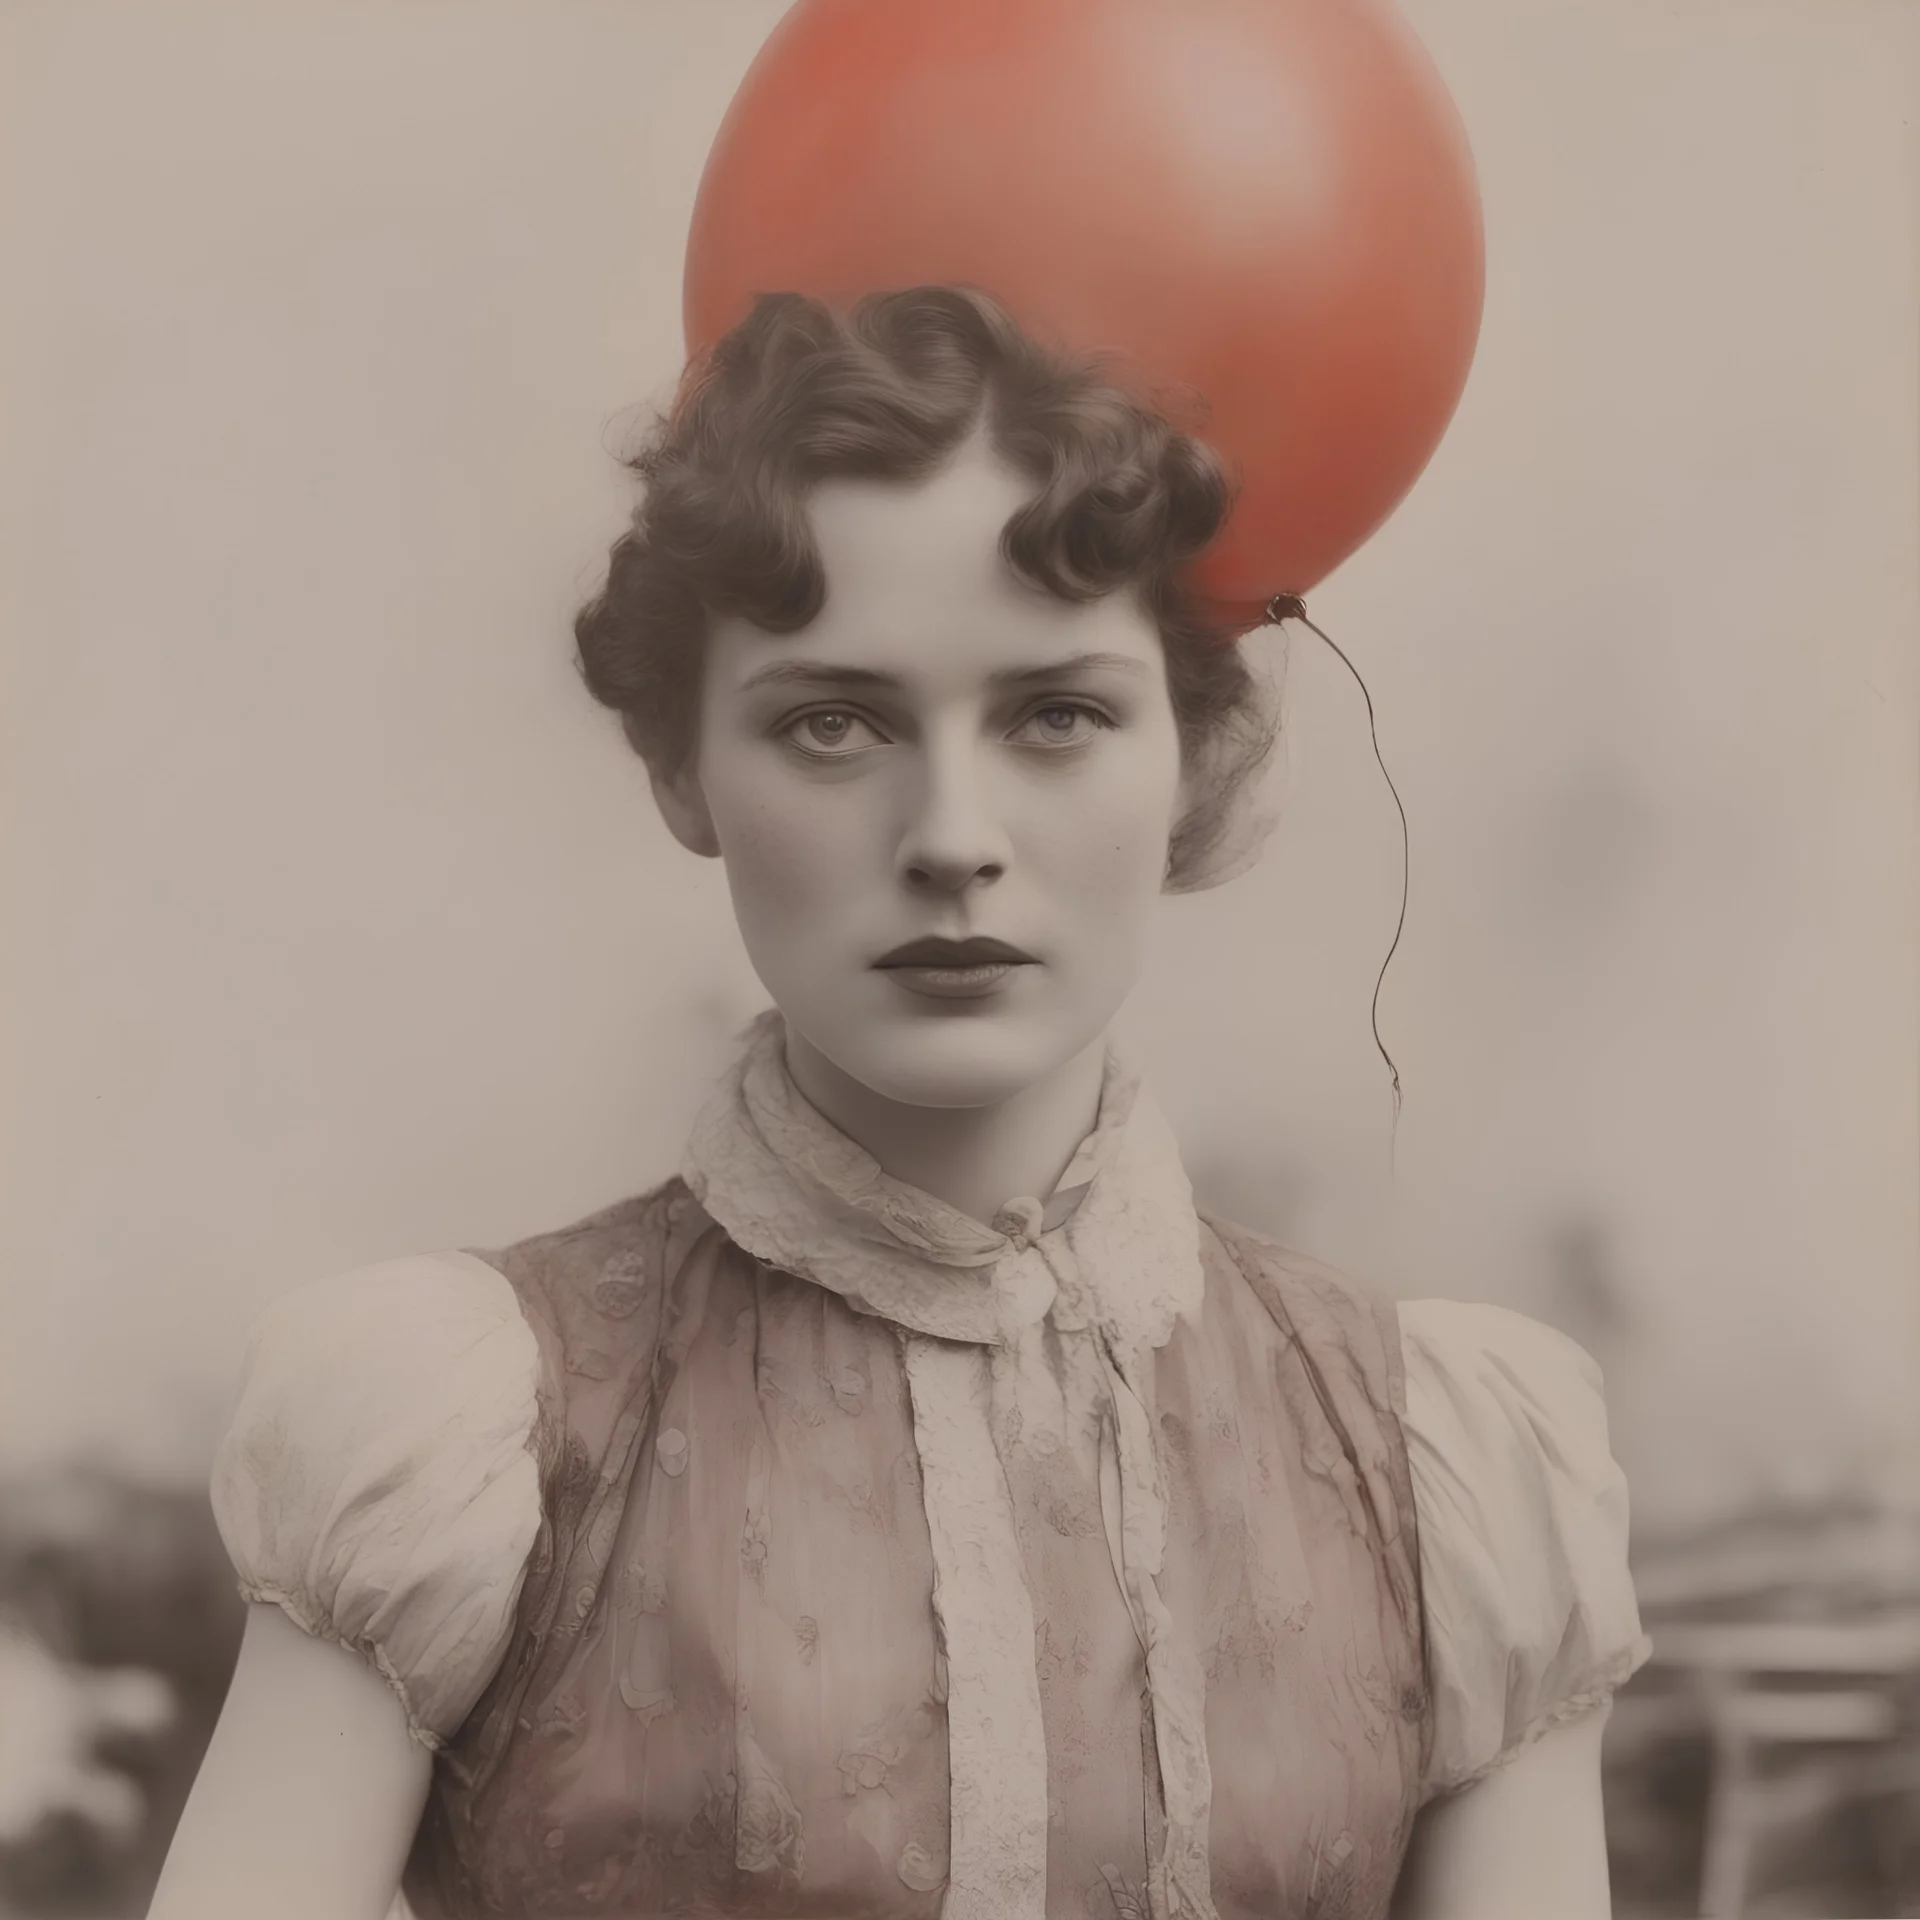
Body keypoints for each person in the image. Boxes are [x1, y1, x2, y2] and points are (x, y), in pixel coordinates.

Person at [150, 287, 1650, 1920]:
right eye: (834, 722)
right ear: (683, 772)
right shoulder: (465, 1430)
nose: (953, 834)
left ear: (1189, 759)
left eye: (1057, 714)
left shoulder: (1439, 1461)